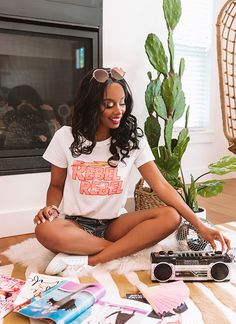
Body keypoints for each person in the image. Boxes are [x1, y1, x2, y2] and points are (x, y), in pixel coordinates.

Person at [34, 67, 230, 275]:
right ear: (91, 106)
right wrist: (52, 208)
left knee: (171, 217)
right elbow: (56, 186)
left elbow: (161, 186)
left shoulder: (133, 140)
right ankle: (124, 250)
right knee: (44, 229)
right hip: (75, 225)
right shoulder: (65, 137)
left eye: (123, 102)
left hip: (114, 225)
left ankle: (91, 259)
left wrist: (199, 225)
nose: (119, 110)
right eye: (109, 105)